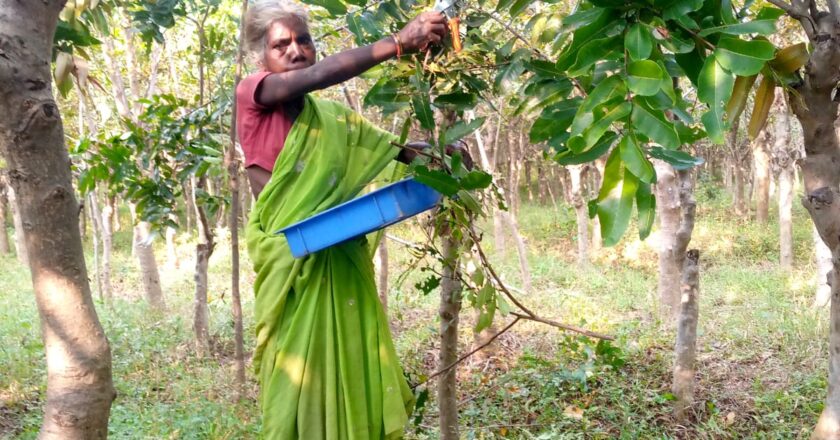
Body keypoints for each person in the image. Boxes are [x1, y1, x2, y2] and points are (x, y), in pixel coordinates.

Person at [237, 1, 457, 438]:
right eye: (281, 44)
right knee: (297, 380)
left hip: (336, 253)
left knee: (351, 363)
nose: (296, 50)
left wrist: (441, 154)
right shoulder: (253, 93)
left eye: (304, 40)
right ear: (261, 56)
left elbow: (394, 149)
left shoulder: (330, 120)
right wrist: (397, 43)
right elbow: (319, 76)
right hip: (290, 264)